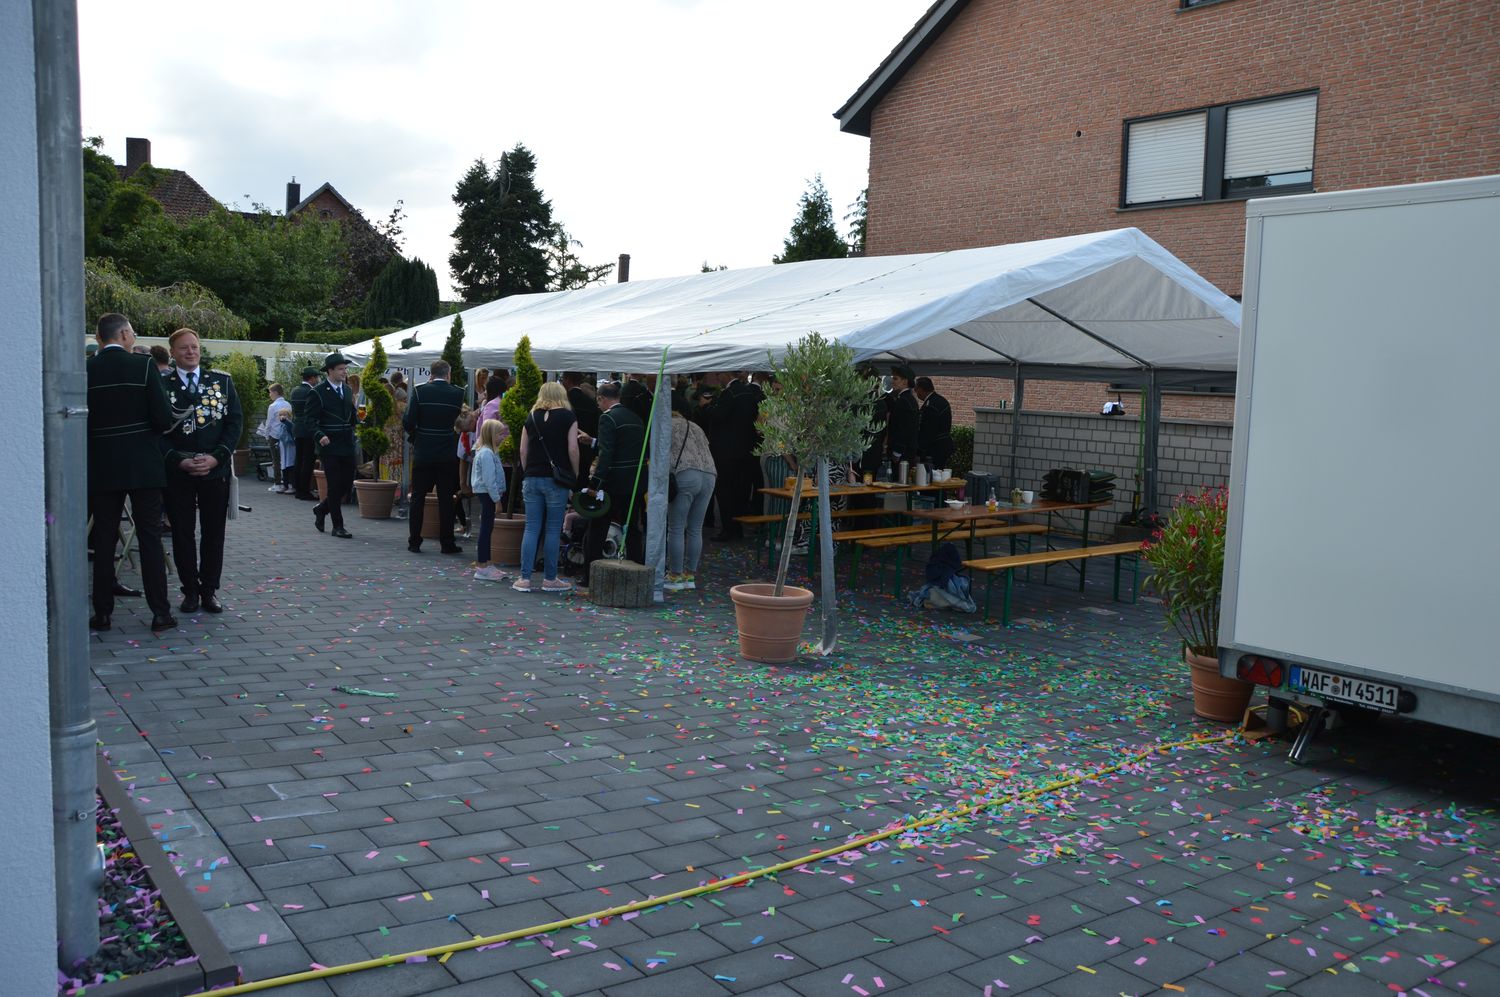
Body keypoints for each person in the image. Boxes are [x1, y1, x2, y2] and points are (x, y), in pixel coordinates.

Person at [87, 313, 177, 632]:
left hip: (102, 463)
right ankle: (160, 613)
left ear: (100, 337)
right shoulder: (144, 366)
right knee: (150, 536)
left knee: (104, 538)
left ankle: (102, 613)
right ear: (124, 334)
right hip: (143, 463)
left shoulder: (87, 369)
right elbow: (163, 417)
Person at [161, 327, 243, 614]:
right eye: (184, 347)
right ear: (172, 352)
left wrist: (217, 457)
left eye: (194, 346)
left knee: (213, 533)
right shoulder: (162, 384)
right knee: (182, 533)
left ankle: (209, 590)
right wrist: (176, 459)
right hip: (179, 471)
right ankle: (190, 591)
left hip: (214, 470)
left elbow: (234, 423)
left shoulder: (221, 381)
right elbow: (154, 429)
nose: (190, 351)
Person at [515, 382, 580, 593]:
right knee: (553, 529)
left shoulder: (531, 416)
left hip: (532, 477)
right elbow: (573, 448)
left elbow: (523, 451)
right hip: (556, 480)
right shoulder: (568, 417)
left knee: (531, 527)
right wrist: (574, 474)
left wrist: (529, 471)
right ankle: (550, 579)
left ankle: (524, 578)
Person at [581, 380, 645, 592]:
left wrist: (595, 483)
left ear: (601, 398)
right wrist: (593, 441)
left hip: (612, 483)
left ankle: (590, 576)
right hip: (634, 482)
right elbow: (623, 447)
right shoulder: (635, 417)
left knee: (597, 529)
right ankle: (638, 571)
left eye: (598, 402)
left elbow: (607, 454)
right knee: (632, 528)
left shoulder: (607, 418)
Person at [403, 360, 466, 554]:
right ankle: (447, 543)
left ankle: (414, 541)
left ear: (430, 374)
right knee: (446, 499)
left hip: (423, 451)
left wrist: (417, 436)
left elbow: (408, 422)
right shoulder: (458, 393)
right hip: (447, 452)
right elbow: (461, 422)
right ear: (448, 374)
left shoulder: (420, 391)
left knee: (418, 498)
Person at [664, 396, 717, 592]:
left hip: (686, 474)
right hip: (709, 474)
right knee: (695, 528)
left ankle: (675, 575)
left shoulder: (666, 426)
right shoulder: (696, 427)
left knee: (676, 527)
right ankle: (690, 576)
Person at [305, 352, 357, 539]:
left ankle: (321, 509)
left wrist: (358, 423)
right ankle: (338, 526)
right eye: (341, 369)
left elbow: (351, 414)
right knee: (334, 485)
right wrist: (320, 435)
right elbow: (309, 420)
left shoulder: (348, 390)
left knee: (347, 484)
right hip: (329, 445)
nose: (344, 372)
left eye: (345, 368)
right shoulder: (317, 392)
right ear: (330, 371)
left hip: (347, 443)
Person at [709, 371, 763, 540]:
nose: (717, 377)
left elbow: (719, 416)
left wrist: (708, 407)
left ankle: (729, 528)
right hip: (746, 449)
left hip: (727, 451)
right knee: (740, 490)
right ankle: (737, 525)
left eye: (719, 374)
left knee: (725, 490)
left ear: (726, 374)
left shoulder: (729, 393)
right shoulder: (749, 393)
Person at [470, 419, 509, 582]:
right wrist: (497, 500)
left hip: (488, 493)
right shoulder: (486, 453)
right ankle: (482, 566)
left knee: (488, 527)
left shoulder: (489, 451)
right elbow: (489, 480)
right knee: (486, 529)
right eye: (500, 434)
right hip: (487, 494)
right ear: (491, 435)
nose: (503, 437)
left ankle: (487, 563)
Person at [288, 366, 321, 500]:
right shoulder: (312, 392)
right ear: (312, 378)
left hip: (297, 428)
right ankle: (304, 491)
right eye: (317, 377)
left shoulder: (295, 391)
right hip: (308, 429)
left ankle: (297, 488)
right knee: (308, 461)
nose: (318, 380)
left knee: (299, 459)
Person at [913, 376, 954, 469]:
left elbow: (927, 431)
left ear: (920, 389)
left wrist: (919, 451)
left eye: (916, 390)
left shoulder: (930, 406)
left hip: (935, 449)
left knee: (931, 473)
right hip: (943, 446)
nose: (916, 393)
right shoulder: (941, 400)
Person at [886, 364, 920, 469]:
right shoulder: (908, 399)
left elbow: (905, 428)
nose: (892, 381)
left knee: (899, 477)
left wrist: (897, 451)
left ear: (905, 381)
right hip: (906, 451)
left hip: (903, 453)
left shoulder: (904, 401)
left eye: (896, 378)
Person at [264, 383, 295, 493]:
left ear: (276, 392)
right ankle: (288, 483)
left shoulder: (272, 406)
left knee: (276, 460)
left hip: (275, 435)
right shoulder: (288, 404)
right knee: (288, 460)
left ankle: (278, 484)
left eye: (270, 392)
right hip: (287, 436)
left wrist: (266, 435)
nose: (270, 395)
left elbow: (269, 423)